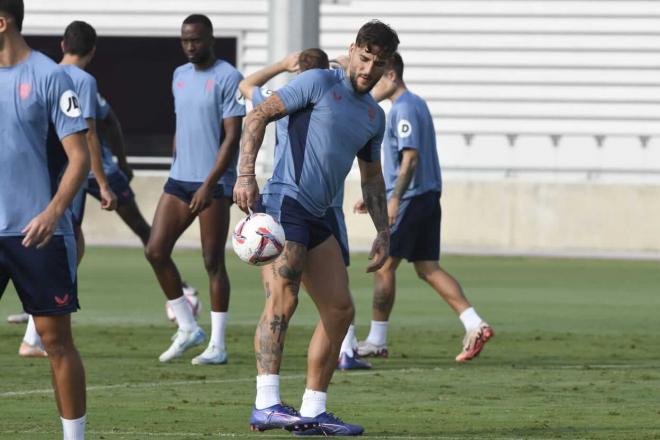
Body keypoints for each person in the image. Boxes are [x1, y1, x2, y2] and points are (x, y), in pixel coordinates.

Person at [234, 20, 399, 436]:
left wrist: (383, 231)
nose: (367, 69)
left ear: (387, 66)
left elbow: (373, 179)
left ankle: (313, 410)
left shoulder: (373, 116)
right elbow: (257, 116)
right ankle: (267, 404)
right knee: (283, 299)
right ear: (352, 49)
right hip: (286, 203)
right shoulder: (317, 82)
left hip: (322, 214)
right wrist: (246, 176)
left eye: (377, 64)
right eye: (364, 58)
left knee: (340, 309)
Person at [354, 53, 494, 362]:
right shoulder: (416, 104)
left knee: (384, 264)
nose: (372, 84)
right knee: (427, 268)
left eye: (378, 77)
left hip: (412, 199)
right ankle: (474, 323)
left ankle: (377, 339)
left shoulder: (403, 109)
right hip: (427, 197)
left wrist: (393, 198)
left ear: (391, 75)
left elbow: (411, 158)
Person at [238, 49, 371, 372]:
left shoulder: (288, 92)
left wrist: (284, 64)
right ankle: (271, 393)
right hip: (301, 201)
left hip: (322, 206)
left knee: (329, 297)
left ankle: (341, 354)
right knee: (285, 297)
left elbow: (247, 85)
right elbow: (252, 104)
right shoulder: (312, 93)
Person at [0, 1, 90, 438]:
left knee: (55, 343)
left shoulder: (51, 77)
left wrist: (53, 213)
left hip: (39, 234)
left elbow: (80, 159)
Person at [145, 14, 244, 364]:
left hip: (212, 184)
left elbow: (232, 137)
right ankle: (188, 327)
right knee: (155, 251)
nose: (190, 46)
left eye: (197, 40)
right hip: (179, 179)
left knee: (212, 261)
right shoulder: (179, 76)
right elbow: (182, 123)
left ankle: (217, 345)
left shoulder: (229, 77)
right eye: (185, 40)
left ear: (210, 39)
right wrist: (177, 159)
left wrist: (210, 184)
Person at [17, 19, 118, 358]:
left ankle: (34, 328)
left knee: (73, 241)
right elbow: (88, 135)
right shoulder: (82, 81)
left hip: (32, 184)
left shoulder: (41, 72)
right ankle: (35, 331)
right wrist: (102, 184)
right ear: (92, 50)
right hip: (62, 184)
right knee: (66, 243)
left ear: (63, 45)